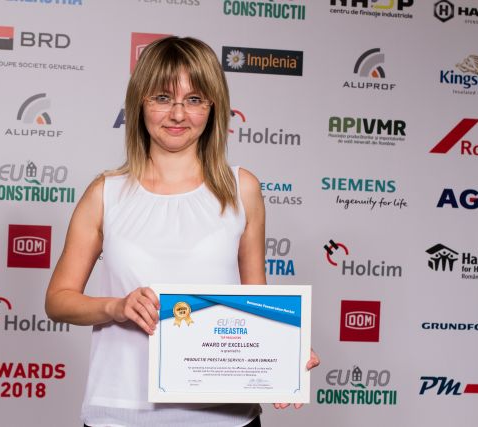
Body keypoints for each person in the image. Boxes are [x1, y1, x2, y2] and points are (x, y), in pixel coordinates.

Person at [45, 36, 319, 427]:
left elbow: (258, 302)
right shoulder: (105, 193)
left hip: (224, 416)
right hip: (120, 411)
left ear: (213, 106)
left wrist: (283, 354)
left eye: (193, 99)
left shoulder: (242, 189)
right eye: (162, 97)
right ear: (139, 103)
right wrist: (116, 307)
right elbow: (58, 300)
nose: (177, 114)